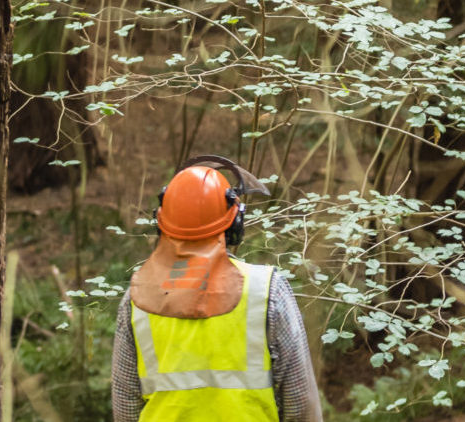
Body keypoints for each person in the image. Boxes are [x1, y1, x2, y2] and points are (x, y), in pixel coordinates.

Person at [111, 155, 323, 422]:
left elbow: (126, 411)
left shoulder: (137, 299)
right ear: (235, 224)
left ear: (162, 224)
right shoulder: (267, 292)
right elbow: (301, 406)